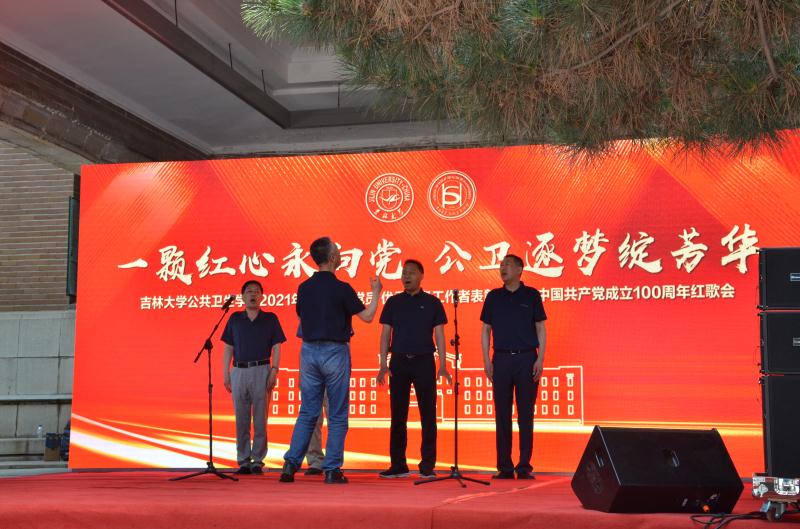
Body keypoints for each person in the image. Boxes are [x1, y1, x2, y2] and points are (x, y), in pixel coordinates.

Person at [280, 236, 382, 484]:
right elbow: (368, 317)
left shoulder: (304, 287)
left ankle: (290, 465)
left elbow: (302, 316)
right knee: (336, 412)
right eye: (337, 250)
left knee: (308, 411)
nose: (340, 253)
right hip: (335, 351)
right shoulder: (342, 288)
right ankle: (332, 469)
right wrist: (376, 292)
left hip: (308, 351)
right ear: (333, 257)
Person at [376, 259, 452, 478]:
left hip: (424, 361)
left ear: (421, 275)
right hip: (399, 362)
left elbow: (440, 335)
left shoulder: (432, 302)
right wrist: (383, 364)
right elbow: (385, 335)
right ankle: (398, 465)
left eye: (411, 273)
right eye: (404, 273)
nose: (406, 276)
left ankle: (427, 465)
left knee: (428, 415)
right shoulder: (393, 302)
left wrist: (443, 365)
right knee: (398, 415)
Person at [480, 254, 547, 480]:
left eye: (507, 265)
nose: (503, 268)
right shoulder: (493, 297)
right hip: (501, 359)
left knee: (526, 414)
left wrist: (540, 359)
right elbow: (485, 330)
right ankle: (505, 467)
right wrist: (486, 360)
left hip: (527, 359)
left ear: (519, 270)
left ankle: (524, 466)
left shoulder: (532, 295)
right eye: (501, 265)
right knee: (502, 414)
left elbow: (540, 328)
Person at [222, 279, 286, 474]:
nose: (253, 294)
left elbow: (277, 347)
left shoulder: (270, 318)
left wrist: (274, 370)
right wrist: (226, 373)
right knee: (241, 419)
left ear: (262, 296)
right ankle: (243, 460)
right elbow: (228, 347)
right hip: (239, 371)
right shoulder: (234, 319)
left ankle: (257, 460)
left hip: (262, 369)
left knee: (260, 419)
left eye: (257, 292)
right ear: (242, 297)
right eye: (249, 291)